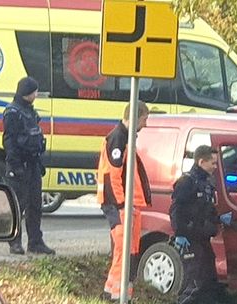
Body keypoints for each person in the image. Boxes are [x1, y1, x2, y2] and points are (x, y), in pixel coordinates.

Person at [97, 101, 152, 301]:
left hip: (127, 205)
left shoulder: (124, 138)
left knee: (129, 251)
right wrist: (122, 204)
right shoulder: (118, 138)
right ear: (136, 117)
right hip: (120, 205)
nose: (145, 124)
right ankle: (117, 295)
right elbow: (113, 174)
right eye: (145, 119)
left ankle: (115, 292)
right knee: (124, 249)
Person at [3, 76, 54, 255]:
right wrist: (16, 166)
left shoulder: (29, 111)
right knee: (18, 205)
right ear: (27, 93)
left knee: (35, 205)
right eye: (34, 91)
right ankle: (14, 242)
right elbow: (10, 141)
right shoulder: (13, 112)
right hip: (19, 165)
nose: (36, 94)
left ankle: (35, 242)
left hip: (32, 164)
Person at [169, 145, 221, 304]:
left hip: (202, 239)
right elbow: (176, 209)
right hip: (189, 239)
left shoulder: (206, 183)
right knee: (194, 283)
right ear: (201, 161)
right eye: (212, 163)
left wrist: (218, 220)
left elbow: (206, 210)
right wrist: (180, 234)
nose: (215, 167)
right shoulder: (187, 182)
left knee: (209, 281)